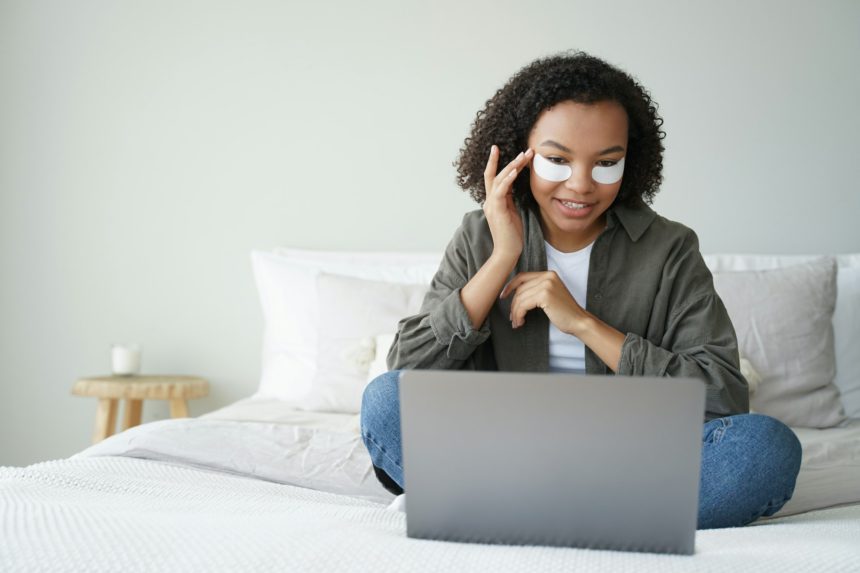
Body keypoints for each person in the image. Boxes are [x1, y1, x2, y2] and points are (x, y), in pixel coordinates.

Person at [360, 51, 802, 529]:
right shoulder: (481, 234)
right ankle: (595, 514)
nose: (581, 184)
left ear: (629, 162)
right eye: (556, 159)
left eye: (606, 163)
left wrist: (583, 324)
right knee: (385, 399)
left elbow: (722, 397)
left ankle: (501, 506)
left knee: (766, 449)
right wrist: (503, 256)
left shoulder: (670, 248)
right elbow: (410, 368)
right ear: (519, 155)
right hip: (503, 446)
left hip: (628, 456)